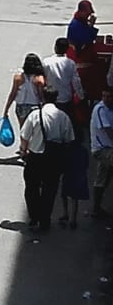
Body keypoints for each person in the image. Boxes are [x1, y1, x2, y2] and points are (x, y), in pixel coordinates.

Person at [19, 86, 75, 232]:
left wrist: (23, 151)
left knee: (31, 188)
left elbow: (24, 136)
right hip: (54, 159)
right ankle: (45, 220)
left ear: (42, 97)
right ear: (56, 98)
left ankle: (34, 217)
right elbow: (69, 139)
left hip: (35, 157)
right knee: (49, 191)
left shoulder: (35, 115)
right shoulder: (63, 117)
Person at [43, 37, 85, 118]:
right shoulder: (70, 63)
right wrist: (81, 96)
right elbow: (76, 82)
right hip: (66, 98)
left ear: (55, 47)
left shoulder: (46, 62)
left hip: (50, 98)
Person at [4, 52, 47, 128]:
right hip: (34, 105)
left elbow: (13, 94)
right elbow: (41, 96)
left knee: (23, 129)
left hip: (21, 105)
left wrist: (6, 109)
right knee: (34, 129)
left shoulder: (18, 78)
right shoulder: (39, 79)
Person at [90, 86, 113, 218]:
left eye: (109, 97)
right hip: (102, 148)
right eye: (104, 96)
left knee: (103, 178)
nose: (106, 99)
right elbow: (108, 131)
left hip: (109, 148)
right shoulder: (100, 109)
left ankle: (97, 207)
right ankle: (96, 207)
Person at [59, 139, 90, 229]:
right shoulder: (83, 150)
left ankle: (65, 213)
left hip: (68, 174)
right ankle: (73, 219)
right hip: (79, 174)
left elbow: (63, 162)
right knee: (75, 197)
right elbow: (86, 164)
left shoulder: (67, 149)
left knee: (64, 194)